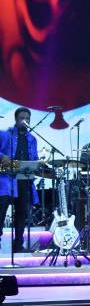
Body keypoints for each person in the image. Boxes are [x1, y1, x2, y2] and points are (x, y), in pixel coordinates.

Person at [0, 107, 40, 252]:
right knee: (2, 209)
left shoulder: (32, 139)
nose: (25, 121)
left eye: (27, 119)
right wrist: (2, 156)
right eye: (22, 118)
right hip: (6, 178)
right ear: (16, 119)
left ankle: (18, 245)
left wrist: (37, 164)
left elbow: (34, 159)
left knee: (22, 212)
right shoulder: (5, 134)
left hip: (24, 178)